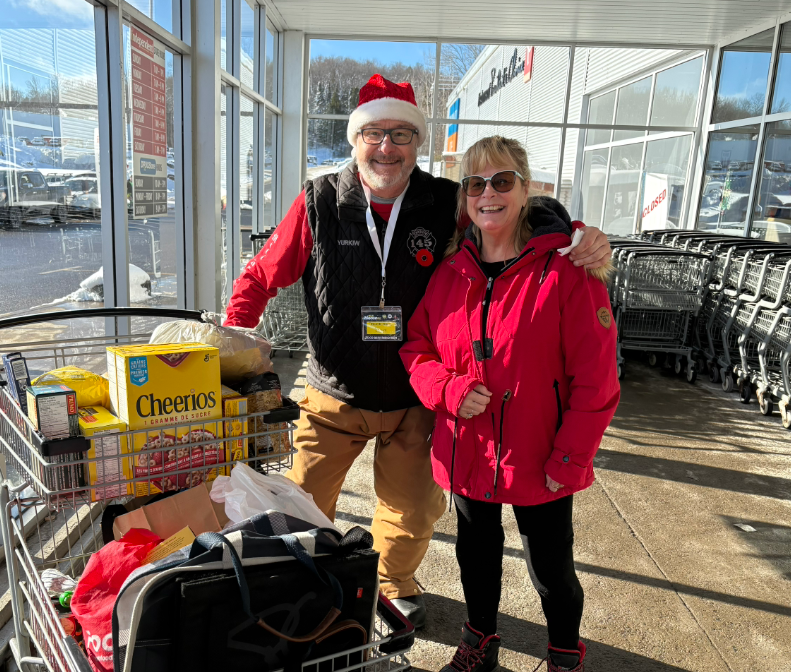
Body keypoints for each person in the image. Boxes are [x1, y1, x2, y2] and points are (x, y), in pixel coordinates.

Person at [225, 75, 612, 629]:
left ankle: (392, 585)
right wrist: (233, 342)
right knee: (301, 504)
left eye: (402, 133)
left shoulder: (442, 202)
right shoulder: (319, 202)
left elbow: (508, 213)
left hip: (416, 399)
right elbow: (263, 274)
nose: (387, 147)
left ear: (417, 144)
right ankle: (304, 590)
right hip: (333, 391)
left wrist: (574, 231)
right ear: (355, 140)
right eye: (375, 133)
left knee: (411, 512)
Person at [400, 136, 619, 672]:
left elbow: (596, 381)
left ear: (526, 189)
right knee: (476, 555)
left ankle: (565, 662)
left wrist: (571, 456)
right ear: (464, 197)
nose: (488, 193)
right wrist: (447, 388)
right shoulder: (450, 272)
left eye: (502, 181)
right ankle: (481, 646)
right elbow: (417, 348)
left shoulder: (568, 271)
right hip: (468, 450)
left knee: (551, 571)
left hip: (539, 457)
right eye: (475, 184)